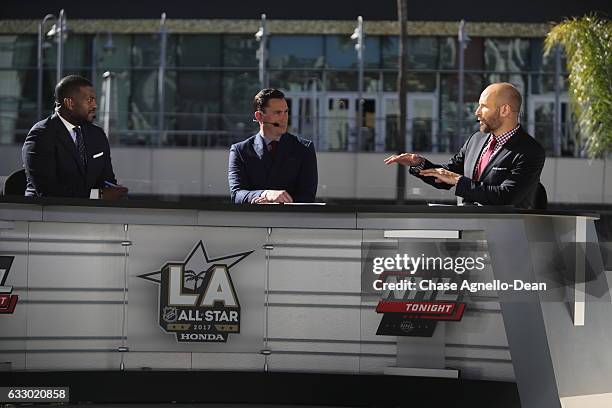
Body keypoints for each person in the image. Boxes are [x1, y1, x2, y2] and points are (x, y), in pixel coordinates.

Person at [385, 82, 545, 208]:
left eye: (484, 106)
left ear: (504, 110)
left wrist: (458, 181)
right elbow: (448, 174)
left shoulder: (530, 151)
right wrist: (419, 164)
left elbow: (506, 196)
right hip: (467, 235)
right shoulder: (476, 140)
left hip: (505, 238)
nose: (477, 112)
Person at [22, 75, 127, 199]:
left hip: (91, 214)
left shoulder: (97, 135)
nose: (95, 105)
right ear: (69, 103)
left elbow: (107, 181)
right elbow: (48, 191)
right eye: (90, 100)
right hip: (46, 214)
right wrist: (99, 195)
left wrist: (115, 192)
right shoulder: (41, 135)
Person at [228, 88, 318, 204]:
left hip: (289, 220)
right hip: (254, 220)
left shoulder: (304, 148)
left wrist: (278, 203)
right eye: (277, 113)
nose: (284, 118)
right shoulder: (240, 151)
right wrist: (265, 194)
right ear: (259, 116)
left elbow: (308, 196)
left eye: (286, 112)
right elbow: (237, 194)